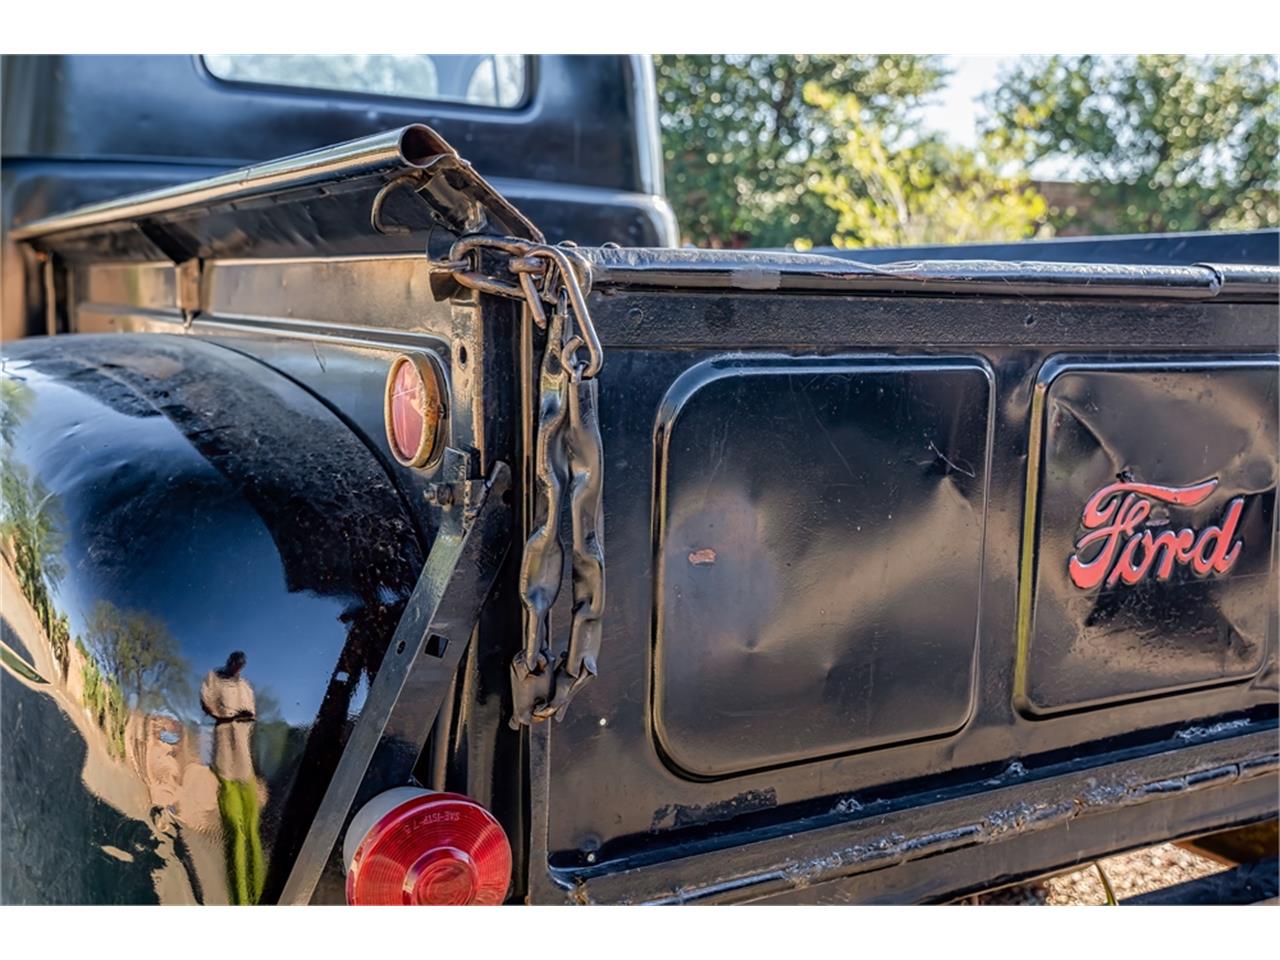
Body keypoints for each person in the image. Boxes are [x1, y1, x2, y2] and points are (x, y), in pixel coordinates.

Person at [200, 651, 264, 905]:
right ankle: (239, 900)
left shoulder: (246, 687)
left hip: (244, 758)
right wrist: (230, 717)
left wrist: (245, 717)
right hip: (225, 758)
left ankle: (260, 896)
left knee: (252, 830)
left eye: (241, 665)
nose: (237, 667)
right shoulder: (214, 679)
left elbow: (253, 714)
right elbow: (208, 705)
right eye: (235, 663)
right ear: (230, 662)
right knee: (234, 832)